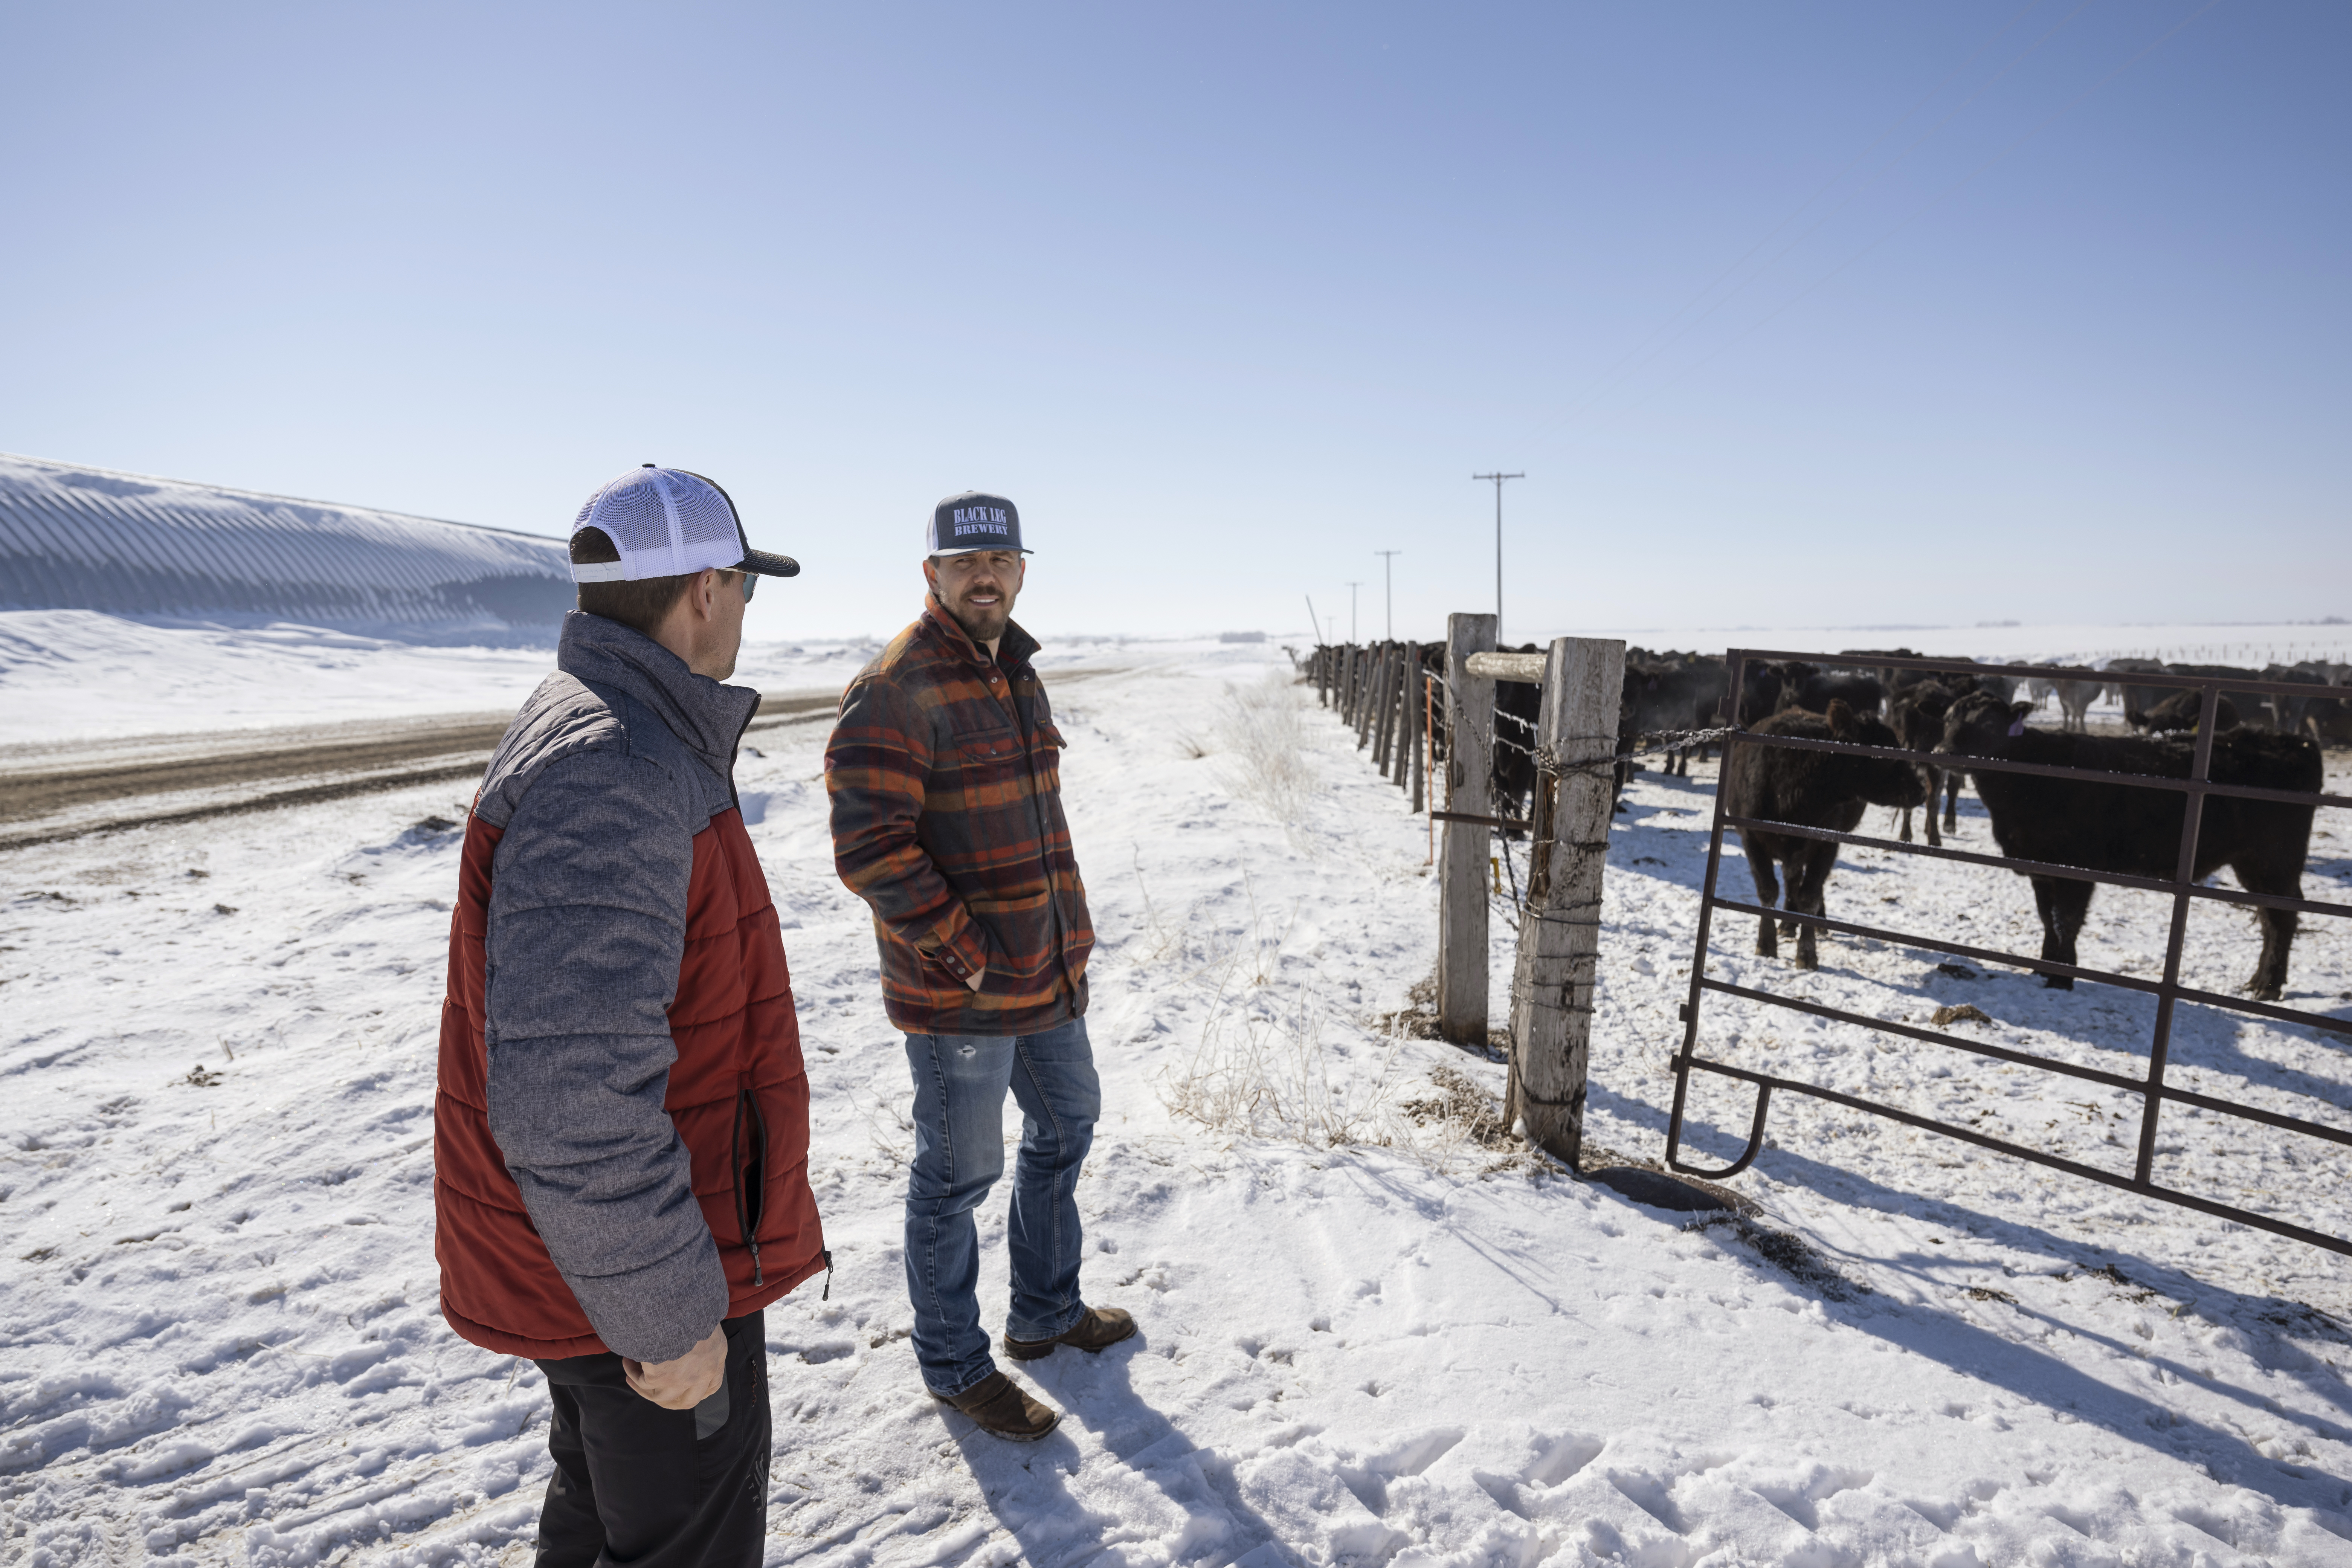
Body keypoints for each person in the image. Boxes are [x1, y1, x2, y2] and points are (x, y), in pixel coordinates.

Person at [434, 464, 827, 1565]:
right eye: (746, 583)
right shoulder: (615, 766)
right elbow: (568, 1094)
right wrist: (667, 1316)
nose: (746, 606)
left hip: (617, 1264)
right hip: (650, 1278)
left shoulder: (619, 731)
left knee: (606, 1521)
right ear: (705, 588)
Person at [825, 490, 1130, 1442]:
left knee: (1067, 1126)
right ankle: (956, 1367)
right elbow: (871, 846)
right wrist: (969, 959)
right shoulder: (897, 685)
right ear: (933, 574)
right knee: (957, 1179)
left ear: (1023, 569)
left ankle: (1044, 1312)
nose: (984, 577)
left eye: (998, 563)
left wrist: (1062, 946)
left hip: (1045, 981)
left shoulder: (1015, 671)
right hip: (960, 995)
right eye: (963, 564)